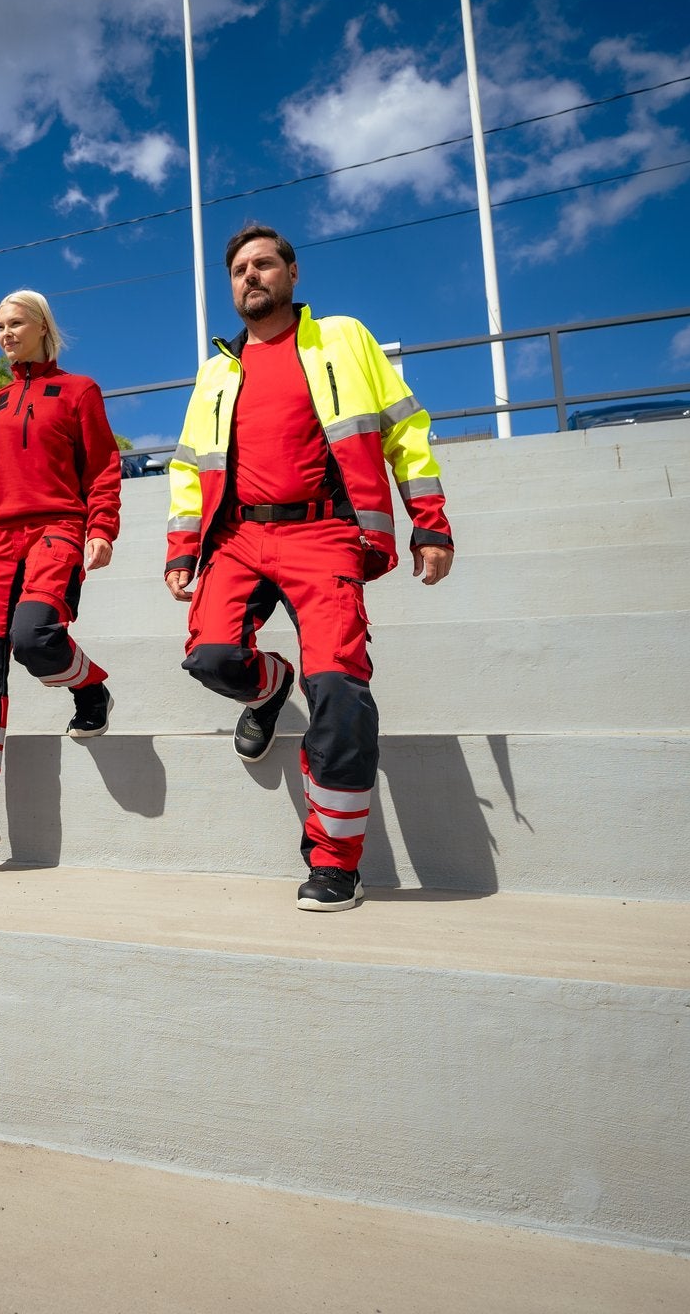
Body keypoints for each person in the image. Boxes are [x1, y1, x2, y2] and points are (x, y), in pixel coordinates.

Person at [164, 225, 454, 911]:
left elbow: (406, 429)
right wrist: (182, 549)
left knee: (342, 692)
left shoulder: (345, 338)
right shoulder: (216, 371)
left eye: (264, 264)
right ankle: (267, 690)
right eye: (238, 269)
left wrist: (430, 523)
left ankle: (334, 862)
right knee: (209, 659)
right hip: (237, 538)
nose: (250, 276)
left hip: (324, 530)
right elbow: (187, 466)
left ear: (292, 274)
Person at [0, 290, 123, 875]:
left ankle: (90, 687)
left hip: (56, 530)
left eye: (16, 324)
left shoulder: (78, 391)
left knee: (35, 636)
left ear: (43, 328)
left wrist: (102, 528)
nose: (5, 334)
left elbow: (104, 467)